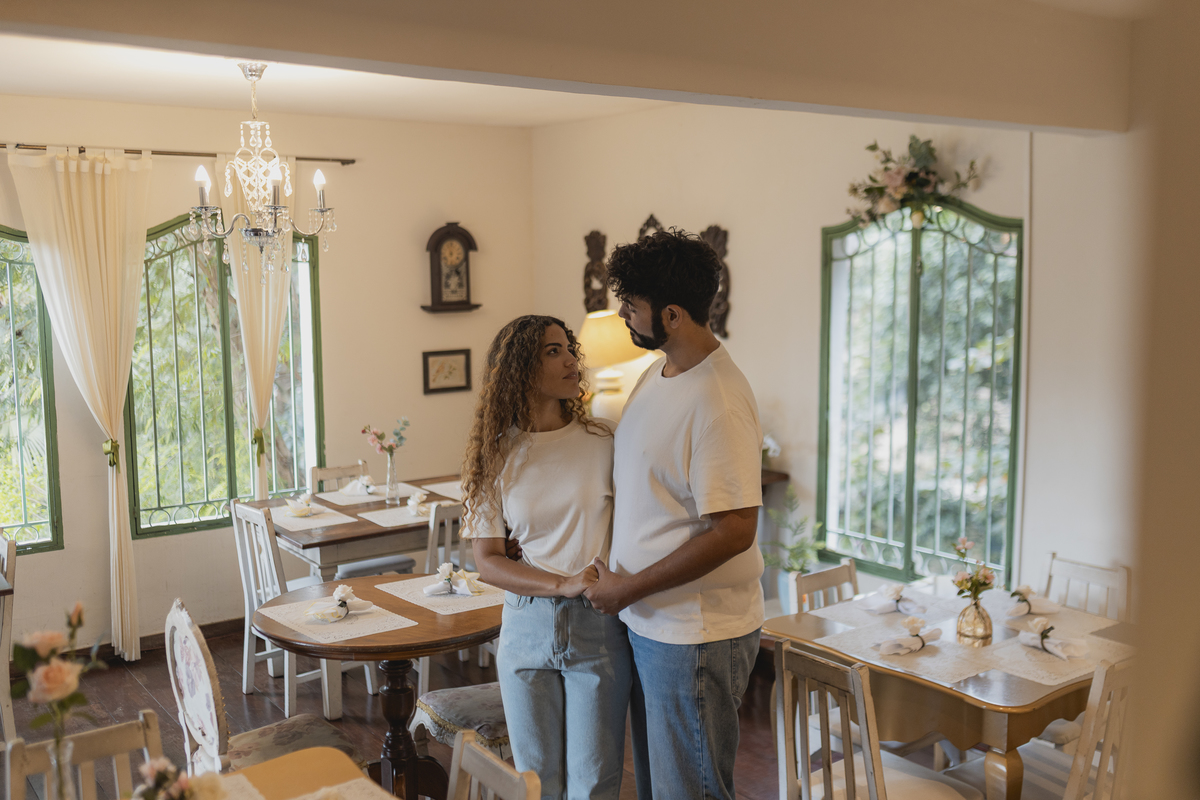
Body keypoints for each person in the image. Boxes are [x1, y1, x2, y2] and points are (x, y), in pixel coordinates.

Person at [584, 230, 765, 800]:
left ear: (672, 315)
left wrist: (629, 587)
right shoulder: (656, 373)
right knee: (662, 788)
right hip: (652, 622)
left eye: (631, 305)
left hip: (695, 634)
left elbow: (735, 531)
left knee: (689, 792)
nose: (623, 315)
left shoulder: (718, 400)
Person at [462, 314, 632, 800]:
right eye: (552, 352)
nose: (571, 360)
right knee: (535, 783)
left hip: (597, 627)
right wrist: (560, 583)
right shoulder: (494, 456)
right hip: (525, 628)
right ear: (520, 369)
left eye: (569, 348)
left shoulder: (606, 440)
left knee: (594, 784)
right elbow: (488, 560)